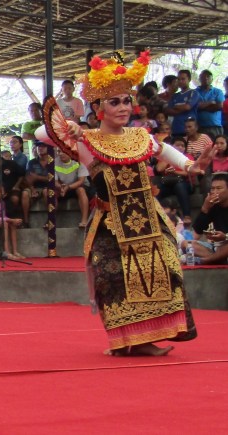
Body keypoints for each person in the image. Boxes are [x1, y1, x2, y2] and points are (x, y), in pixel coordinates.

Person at [37, 50, 208, 356]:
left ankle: (150, 336)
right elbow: (42, 131)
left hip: (148, 216)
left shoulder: (140, 136)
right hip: (110, 222)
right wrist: (73, 128)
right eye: (113, 101)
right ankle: (129, 340)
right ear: (98, 107)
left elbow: (164, 150)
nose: (122, 107)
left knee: (167, 266)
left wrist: (190, 165)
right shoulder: (88, 141)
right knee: (114, 278)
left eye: (126, 100)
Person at [190, 173, 228, 265]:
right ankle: (218, 259)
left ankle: (206, 260)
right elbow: (196, 234)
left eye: (219, 188)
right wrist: (205, 208)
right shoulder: (212, 205)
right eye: (212, 188)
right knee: (187, 244)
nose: (215, 192)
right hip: (217, 247)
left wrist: (225, 236)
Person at [155, 137, 193, 220]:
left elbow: (188, 172)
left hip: (183, 183)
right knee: (156, 189)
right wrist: (169, 158)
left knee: (179, 186)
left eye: (182, 146)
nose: (180, 147)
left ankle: (187, 216)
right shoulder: (164, 157)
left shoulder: (188, 157)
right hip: (168, 183)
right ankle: (156, 215)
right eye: (177, 145)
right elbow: (159, 169)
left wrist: (175, 172)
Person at [0, 183, 25, 259]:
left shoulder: (2, 203)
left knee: (12, 224)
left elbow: (3, 216)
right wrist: (11, 220)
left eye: (0, 192)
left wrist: (13, 221)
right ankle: (7, 252)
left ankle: (15, 251)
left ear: (5, 194)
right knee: (6, 224)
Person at [54, 149, 91, 229]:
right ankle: (50, 220)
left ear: (70, 151)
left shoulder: (79, 160)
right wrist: (61, 187)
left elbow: (81, 181)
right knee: (50, 192)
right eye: (58, 151)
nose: (60, 154)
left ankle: (84, 221)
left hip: (80, 186)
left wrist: (68, 187)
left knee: (80, 190)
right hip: (63, 186)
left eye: (63, 151)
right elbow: (55, 181)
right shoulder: (55, 162)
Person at [23, 141, 54, 224]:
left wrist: (37, 177)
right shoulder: (31, 162)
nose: (40, 148)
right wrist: (32, 189)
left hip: (49, 187)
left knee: (46, 192)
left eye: (43, 146)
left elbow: (53, 179)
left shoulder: (53, 162)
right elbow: (28, 178)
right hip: (35, 187)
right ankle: (26, 221)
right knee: (25, 194)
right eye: (38, 146)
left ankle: (50, 219)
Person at [193, 70, 223, 137]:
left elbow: (220, 106)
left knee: (217, 146)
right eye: (203, 77)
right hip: (199, 127)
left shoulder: (218, 91)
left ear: (212, 79)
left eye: (208, 76)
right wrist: (211, 102)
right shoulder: (194, 92)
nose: (206, 78)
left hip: (215, 126)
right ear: (199, 79)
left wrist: (202, 107)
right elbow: (194, 106)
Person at [167, 69, 197, 136]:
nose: (180, 81)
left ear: (189, 79)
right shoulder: (175, 95)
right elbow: (168, 111)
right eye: (179, 79)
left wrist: (175, 106)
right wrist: (182, 107)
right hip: (176, 129)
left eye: (183, 79)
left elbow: (187, 107)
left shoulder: (193, 93)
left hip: (189, 130)